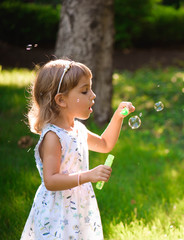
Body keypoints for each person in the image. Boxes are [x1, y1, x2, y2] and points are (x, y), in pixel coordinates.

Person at [21, 59, 135, 239]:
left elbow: (104, 144)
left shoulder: (77, 130)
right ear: (61, 100)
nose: (93, 95)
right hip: (57, 210)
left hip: (79, 206)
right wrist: (88, 176)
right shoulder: (53, 137)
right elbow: (50, 180)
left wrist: (118, 117)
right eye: (84, 91)